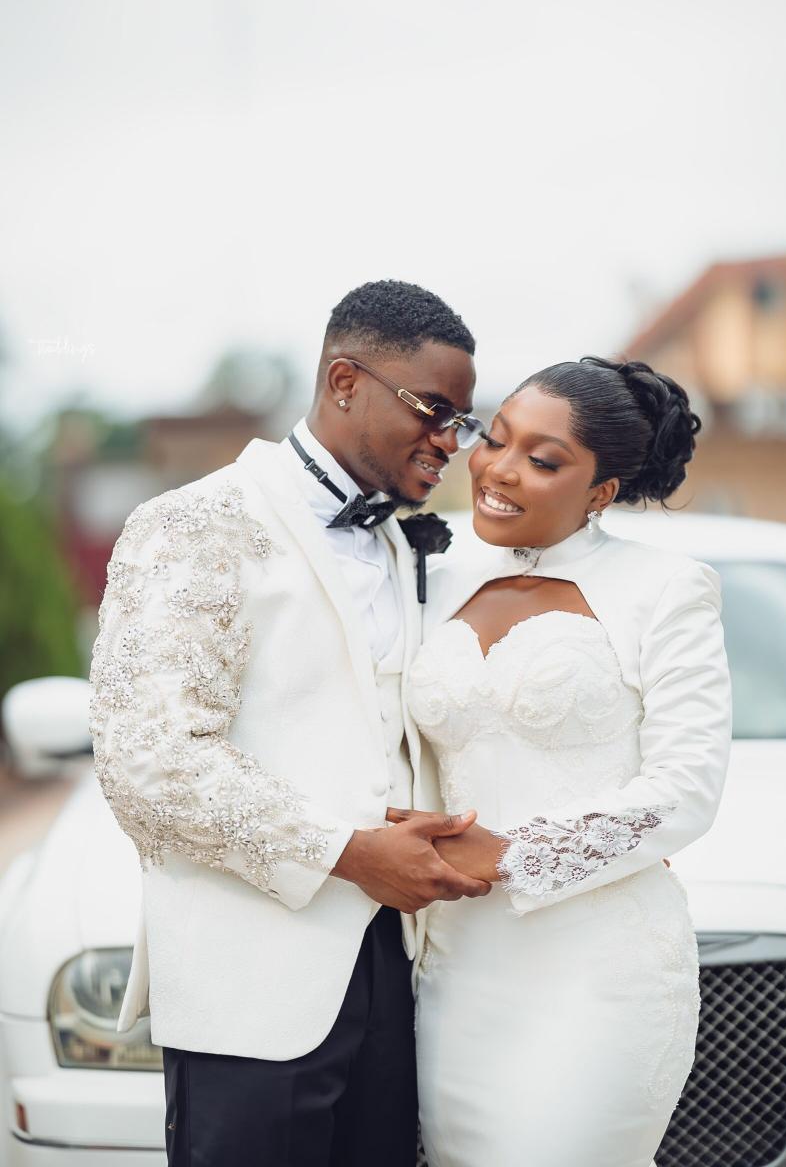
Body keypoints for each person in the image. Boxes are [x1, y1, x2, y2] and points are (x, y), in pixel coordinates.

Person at [89, 279, 492, 1167]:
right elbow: (149, 761)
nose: (449, 441)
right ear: (344, 382)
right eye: (433, 410)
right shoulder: (193, 522)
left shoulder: (403, 543)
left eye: (462, 421)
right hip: (248, 985)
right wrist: (348, 852)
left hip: (395, 973)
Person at [395, 357, 732, 1167]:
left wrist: (512, 855)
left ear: (601, 490)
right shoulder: (431, 576)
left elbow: (686, 788)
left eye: (542, 461)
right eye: (495, 439)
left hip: (598, 973)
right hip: (457, 968)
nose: (499, 470)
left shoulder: (663, 587)